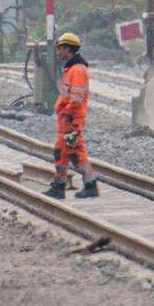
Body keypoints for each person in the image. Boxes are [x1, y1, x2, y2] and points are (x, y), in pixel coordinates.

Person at [44, 33, 99, 199]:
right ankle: (64, 186)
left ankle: (85, 184)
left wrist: (67, 113)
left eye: (60, 49)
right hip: (67, 120)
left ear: (68, 49)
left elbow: (76, 98)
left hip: (71, 120)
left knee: (70, 152)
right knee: (66, 151)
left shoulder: (77, 71)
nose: (59, 52)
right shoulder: (72, 69)